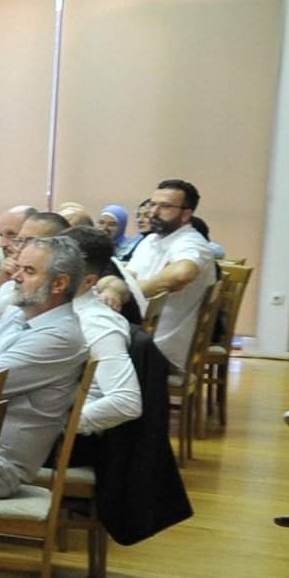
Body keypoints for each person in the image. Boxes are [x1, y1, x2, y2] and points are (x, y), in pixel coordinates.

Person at [0, 233, 89, 499]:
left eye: (28, 271)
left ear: (59, 283)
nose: (15, 276)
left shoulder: (60, 336)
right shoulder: (23, 312)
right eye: (18, 268)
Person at [128, 179, 219, 374]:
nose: (154, 212)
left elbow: (182, 273)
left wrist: (133, 292)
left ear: (186, 214)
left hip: (161, 349)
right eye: (153, 204)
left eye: (165, 206)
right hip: (140, 337)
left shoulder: (191, 242)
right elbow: (129, 275)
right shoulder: (151, 240)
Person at [64, 226, 142, 436]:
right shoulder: (54, 309)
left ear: (89, 280)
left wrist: (63, 426)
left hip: (63, 439)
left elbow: (126, 402)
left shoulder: (96, 323)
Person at [0, 207, 55, 331]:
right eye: (1, 235)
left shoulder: (39, 285)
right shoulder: (3, 276)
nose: (3, 244)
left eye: (12, 235)